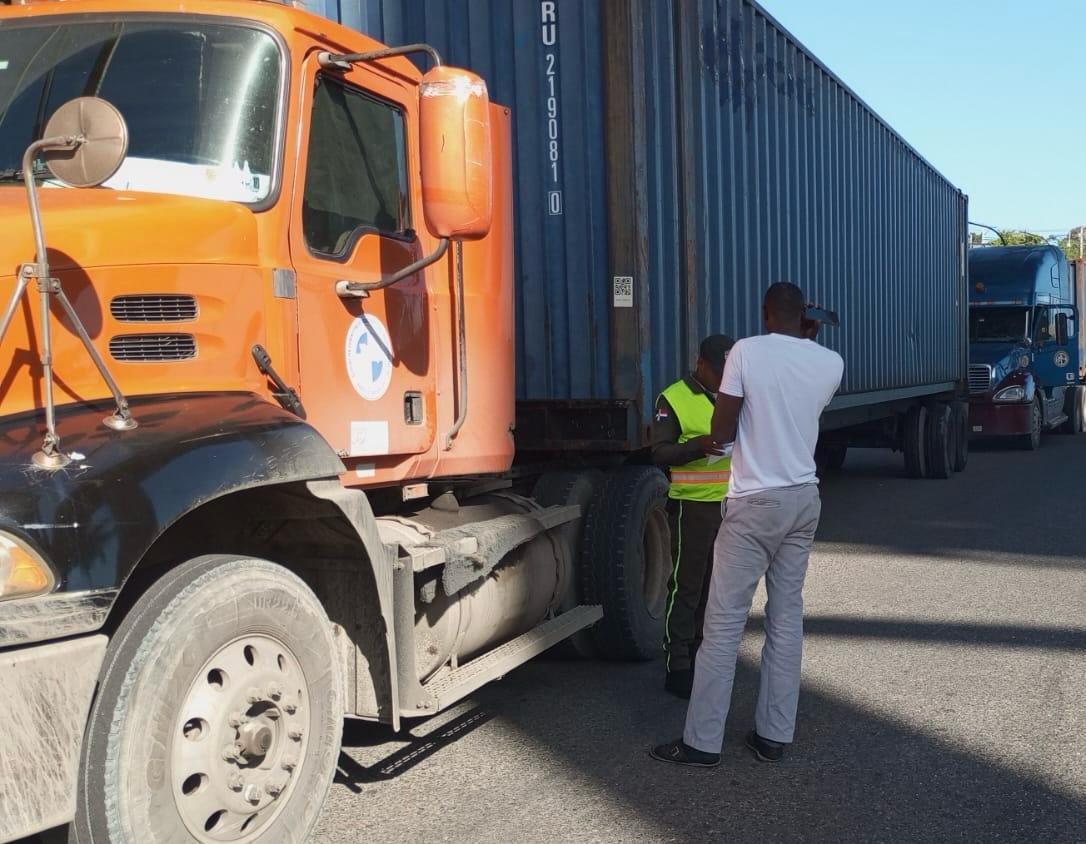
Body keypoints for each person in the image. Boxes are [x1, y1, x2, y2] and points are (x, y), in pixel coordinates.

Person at [650, 282, 843, 767]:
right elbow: (799, 400)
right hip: (804, 499)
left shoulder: (745, 353)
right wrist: (807, 342)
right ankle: (774, 737)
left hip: (754, 503)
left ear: (765, 313)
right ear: (806, 319)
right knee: (785, 620)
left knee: (722, 626)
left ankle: (702, 742)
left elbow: (722, 430)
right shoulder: (830, 362)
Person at [652, 334, 735, 699]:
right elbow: (659, 453)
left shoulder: (733, 395)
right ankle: (678, 664)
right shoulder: (673, 398)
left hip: (730, 506)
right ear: (700, 363)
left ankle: (705, 655)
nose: (723, 379)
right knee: (687, 587)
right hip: (691, 507)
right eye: (718, 372)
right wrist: (696, 447)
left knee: (715, 589)